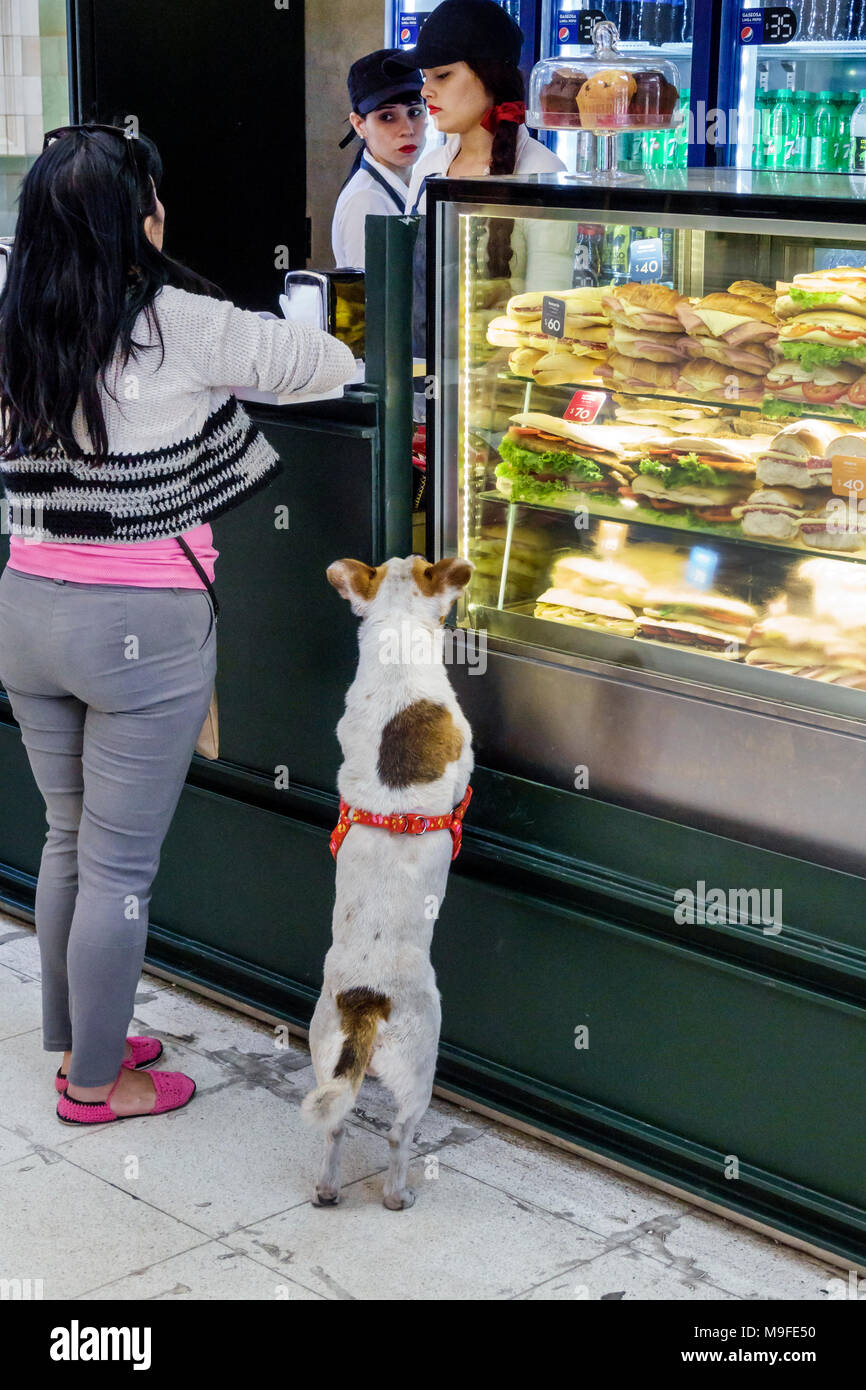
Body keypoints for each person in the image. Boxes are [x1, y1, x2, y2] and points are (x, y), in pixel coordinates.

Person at [0, 125, 355, 1125]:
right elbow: (324, 362)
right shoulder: (184, 323)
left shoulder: (12, 321)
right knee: (117, 864)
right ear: (143, 219)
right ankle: (95, 1084)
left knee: (67, 838)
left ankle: (82, 1038)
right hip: (140, 629)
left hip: (26, 609)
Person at [331, 49, 427, 269]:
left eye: (414, 112)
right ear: (359, 124)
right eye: (387, 117)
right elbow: (375, 299)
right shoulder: (366, 201)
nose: (407, 130)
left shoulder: (419, 182)